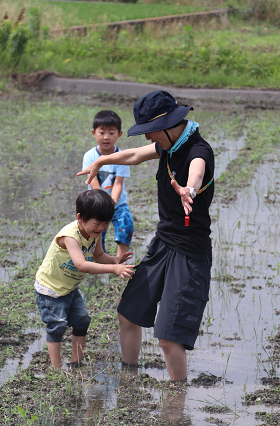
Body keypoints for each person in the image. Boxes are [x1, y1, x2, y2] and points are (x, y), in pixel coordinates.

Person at [78, 90, 215, 382]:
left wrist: (189, 189)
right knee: (128, 314)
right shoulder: (169, 146)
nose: (147, 138)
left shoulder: (197, 150)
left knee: (168, 337)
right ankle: (128, 379)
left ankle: (178, 397)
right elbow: (133, 155)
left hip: (190, 252)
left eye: (149, 131)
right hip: (162, 244)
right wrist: (101, 162)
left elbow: (198, 170)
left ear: (168, 124)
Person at [34, 189, 135, 368]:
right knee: (56, 325)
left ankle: (76, 362)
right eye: (97, 223)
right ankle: (56, 369)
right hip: (51, 288)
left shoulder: (93, 235)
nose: (102, 228)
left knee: (82, 321)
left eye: (106, 224)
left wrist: (114, 259)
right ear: (80, 217)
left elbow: (98, 256)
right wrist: (113, 269)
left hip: (70, 288)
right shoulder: (70, 236)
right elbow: (82, 264)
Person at [82, 110, 134, 258]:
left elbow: (118, 183)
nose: (106, 137)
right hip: (95, 204)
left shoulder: (121, 156)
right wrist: (103, 203)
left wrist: (112, 202)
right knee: (96, 234)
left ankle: (119, 259)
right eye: (102, 132)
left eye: (111, 133)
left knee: (126, 225)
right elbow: (92, 181)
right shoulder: (90, 156)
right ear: (94, 132)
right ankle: (100, 260)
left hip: (117, 203)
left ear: (119, 134)